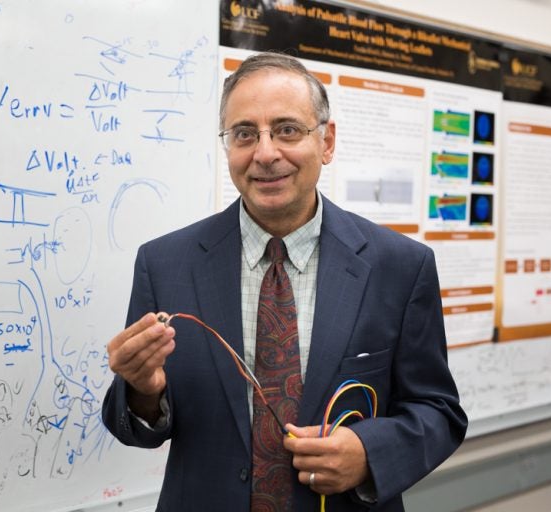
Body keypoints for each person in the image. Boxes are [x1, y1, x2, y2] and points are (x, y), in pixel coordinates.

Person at [102, 51, 467, 511]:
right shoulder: (165, 263)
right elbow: (134, 424)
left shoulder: (399, 266)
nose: (266, 152)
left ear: (327, 142)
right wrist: (142, 390)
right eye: (245, 134)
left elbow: (438, 412)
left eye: (288, 130)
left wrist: (368, 454)